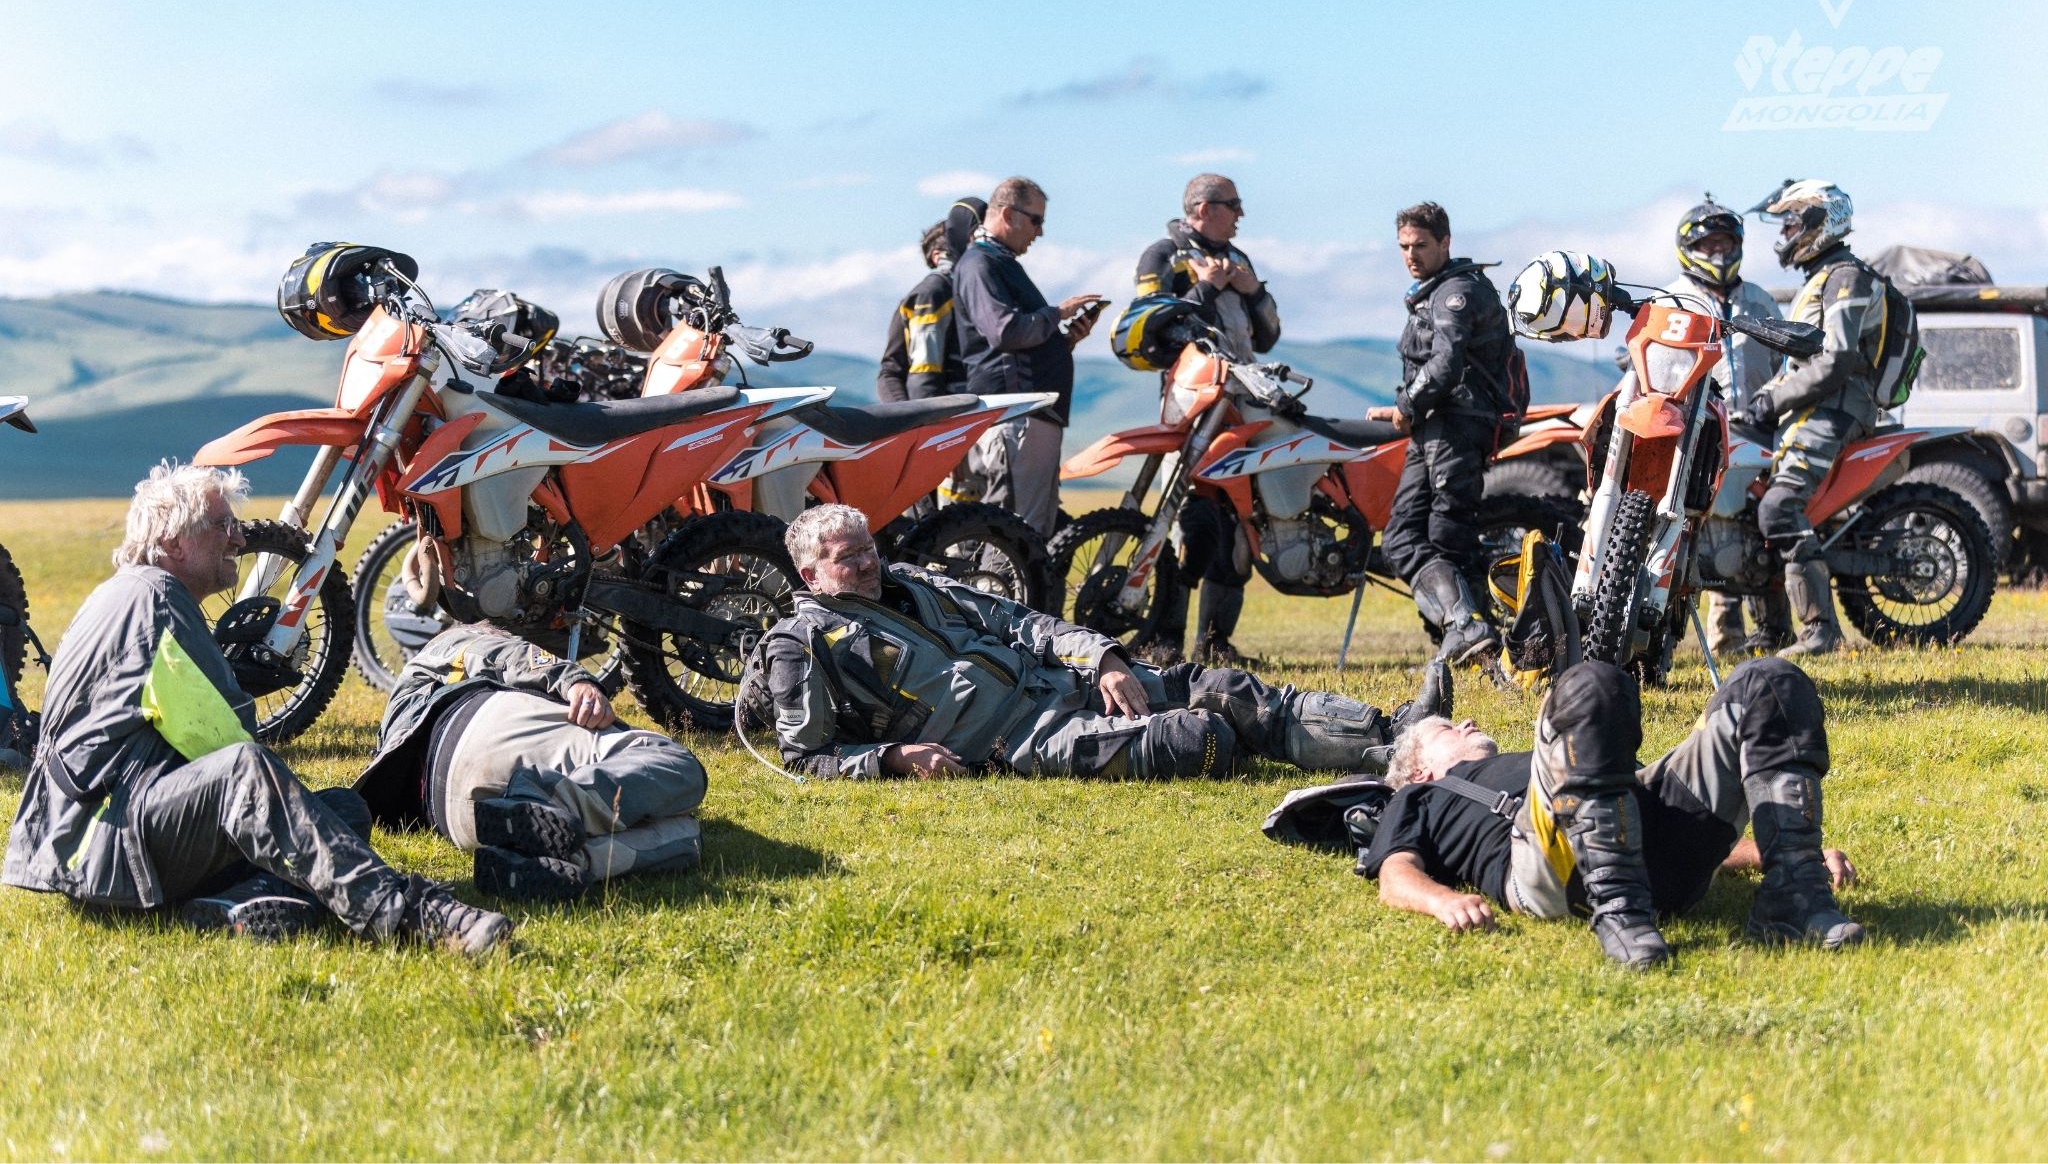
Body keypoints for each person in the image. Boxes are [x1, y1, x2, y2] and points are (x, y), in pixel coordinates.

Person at [2, 463, 510, 954]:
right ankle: (407, 913)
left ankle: (233, 903)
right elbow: (225, 743)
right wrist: (240, 686)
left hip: (93, 834)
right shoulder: (160, 599)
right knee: (248, 773)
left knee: (342, 810)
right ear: (174, 543)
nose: (239, 539)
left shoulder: (126, 594)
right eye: (222, 525)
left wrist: (228, 677)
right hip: (105, 845)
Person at [745, 504, 1444, 782]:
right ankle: (1379, 758)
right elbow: (806, 757)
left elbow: (1023, 623)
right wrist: (896, 757)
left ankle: (1397, 736)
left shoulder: (914, 580)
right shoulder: (799, 645)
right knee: (1199, 738)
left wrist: (1104, 657)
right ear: (810, 574)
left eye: (868, 548)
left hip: (1066, 685)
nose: (867, 563)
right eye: (848, 558)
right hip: (1020, 740)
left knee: (1225, 688)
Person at [1361, 657, 1861, 968]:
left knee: (1769, 682)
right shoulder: (1419, 796)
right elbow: (1394, 874)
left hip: (1655, 840)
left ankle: (1794, 895)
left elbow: (1621, 813)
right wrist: (1442, 901)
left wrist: (1777, 853)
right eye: (1447, 728)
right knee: (1589, 686)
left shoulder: (1561, 751)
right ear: (1420, 769)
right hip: (1554, 869)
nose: (1466, 721)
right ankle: (1621, 914)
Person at [355, 621, 709, 903]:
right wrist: (574, 680)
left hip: (459, 819)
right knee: (676, 763)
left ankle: (566, 859)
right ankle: (552, 802)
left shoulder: (396, 722)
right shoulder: (454, 639)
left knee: (687, 836)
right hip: (485, 731)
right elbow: (500, 652)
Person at [1134, 173, 1282, 665]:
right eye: (1233, 204)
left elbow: (1268, 338)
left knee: (1237, 526)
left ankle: (1215, 644)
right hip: (1190, 412)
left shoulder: (1240, 260)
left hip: (1244, 409)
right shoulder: (1162, 256)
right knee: (1186, 525)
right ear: (1203, 208)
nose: (1241, 214)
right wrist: (1205, 288)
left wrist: (1254, 292)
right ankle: (1164, 641)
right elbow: (1150, 328)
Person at [1735, 181, 1885, 656]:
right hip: (1812, 405)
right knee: (1747, 502)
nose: (1784, 233)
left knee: (1778, 507)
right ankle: (1771, 628)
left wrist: (1773, 401)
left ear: (1822, 222)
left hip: (1836, 407)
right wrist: (1758, 402)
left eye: (1792, 222)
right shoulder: (1819, 278)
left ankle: (1821, 630)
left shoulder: (1845, 276)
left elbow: (1836, 360)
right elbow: (1798, 364)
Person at [1369, 202, 1520, 665]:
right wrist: (1409, 407)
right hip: (1434, 426)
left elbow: (1446, 362)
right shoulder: (1433, 291)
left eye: (1420, 245)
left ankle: (1475, 636)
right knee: (1400, 538)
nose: (1411, 255)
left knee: (1446, 536)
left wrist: (1406, 404)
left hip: (1456, 426)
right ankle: (1465, 630)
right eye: (1404, 247)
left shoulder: (1456, 292)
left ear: (1445, 242)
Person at [1661, 195, 1785, 658]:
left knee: (1762, 524)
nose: (1717, 251)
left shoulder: (1760, 300)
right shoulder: (1671, 300)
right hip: (1695, 431)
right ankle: (1719, 634)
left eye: (1725, 242)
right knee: (1697, 526)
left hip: (1757, 430)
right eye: (1708, 243)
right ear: (1688, 248)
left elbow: (1784, 364)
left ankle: (1775, 628)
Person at [953, 177, 1105, 538]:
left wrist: (1063, 342)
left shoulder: (997, 261)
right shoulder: (980, 263)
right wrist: (1058, 313)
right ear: (1008, 214)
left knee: (1028, 534)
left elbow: (1017, 342)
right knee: (1014, 536)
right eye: (1036, 220)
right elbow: (1004, 331)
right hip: (1017, 417)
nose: (1040, 232)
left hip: (1029, 416)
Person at [876, 197, 983, 403]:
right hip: (949, 411)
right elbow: (922, 372)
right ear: (937, 256)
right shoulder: (934, 293)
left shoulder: (963, 291)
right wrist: (920, 417)